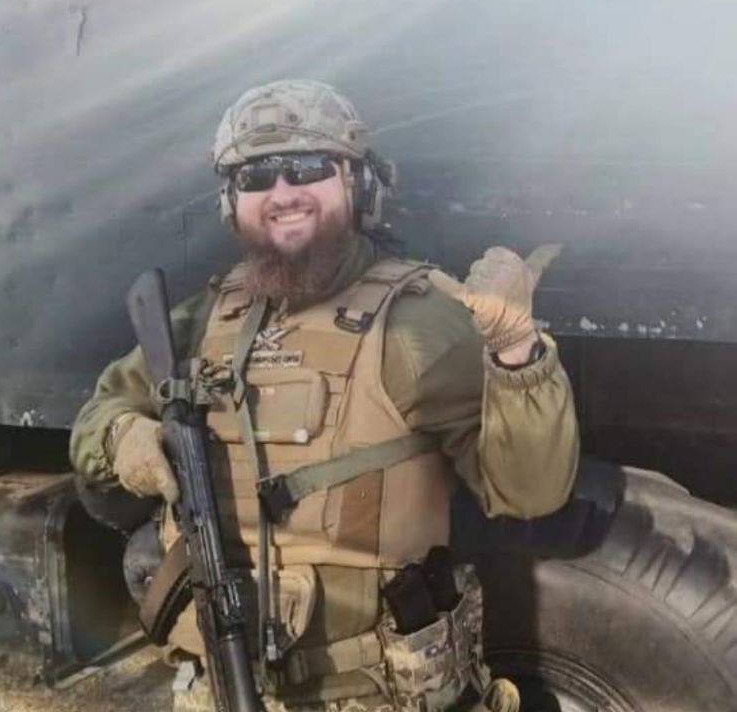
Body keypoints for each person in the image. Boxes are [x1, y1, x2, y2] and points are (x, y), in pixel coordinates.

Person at [71, 81, 580, 712]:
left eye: (308, 167)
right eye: (256, 177)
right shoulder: (203, 319)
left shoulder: (419, 323)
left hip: (377, 696)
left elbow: (530, 491)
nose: (282, 193)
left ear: (357, 185)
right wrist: (121, 435)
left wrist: (515, 351)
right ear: (232, 203)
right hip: (220, 685)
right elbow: (100, 411)